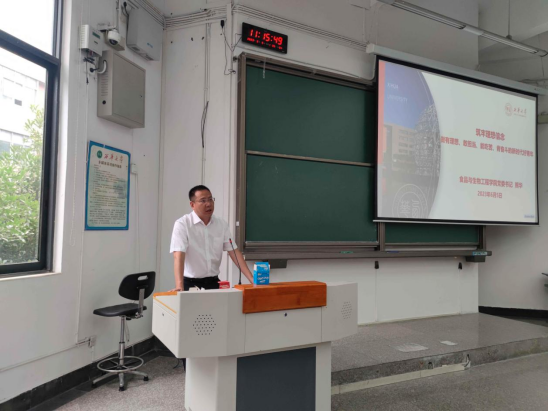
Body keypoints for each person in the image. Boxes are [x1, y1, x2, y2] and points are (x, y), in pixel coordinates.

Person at [169, 185, 253, 292]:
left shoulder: (221, 224)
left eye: (210, 199)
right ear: (192, 204)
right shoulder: (183, 224)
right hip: (190, 284)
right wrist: (179, 286)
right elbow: (178, 256)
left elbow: (234, 252)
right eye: (203, 200)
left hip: (214, 282)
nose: (208, 204)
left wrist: (252, 280)